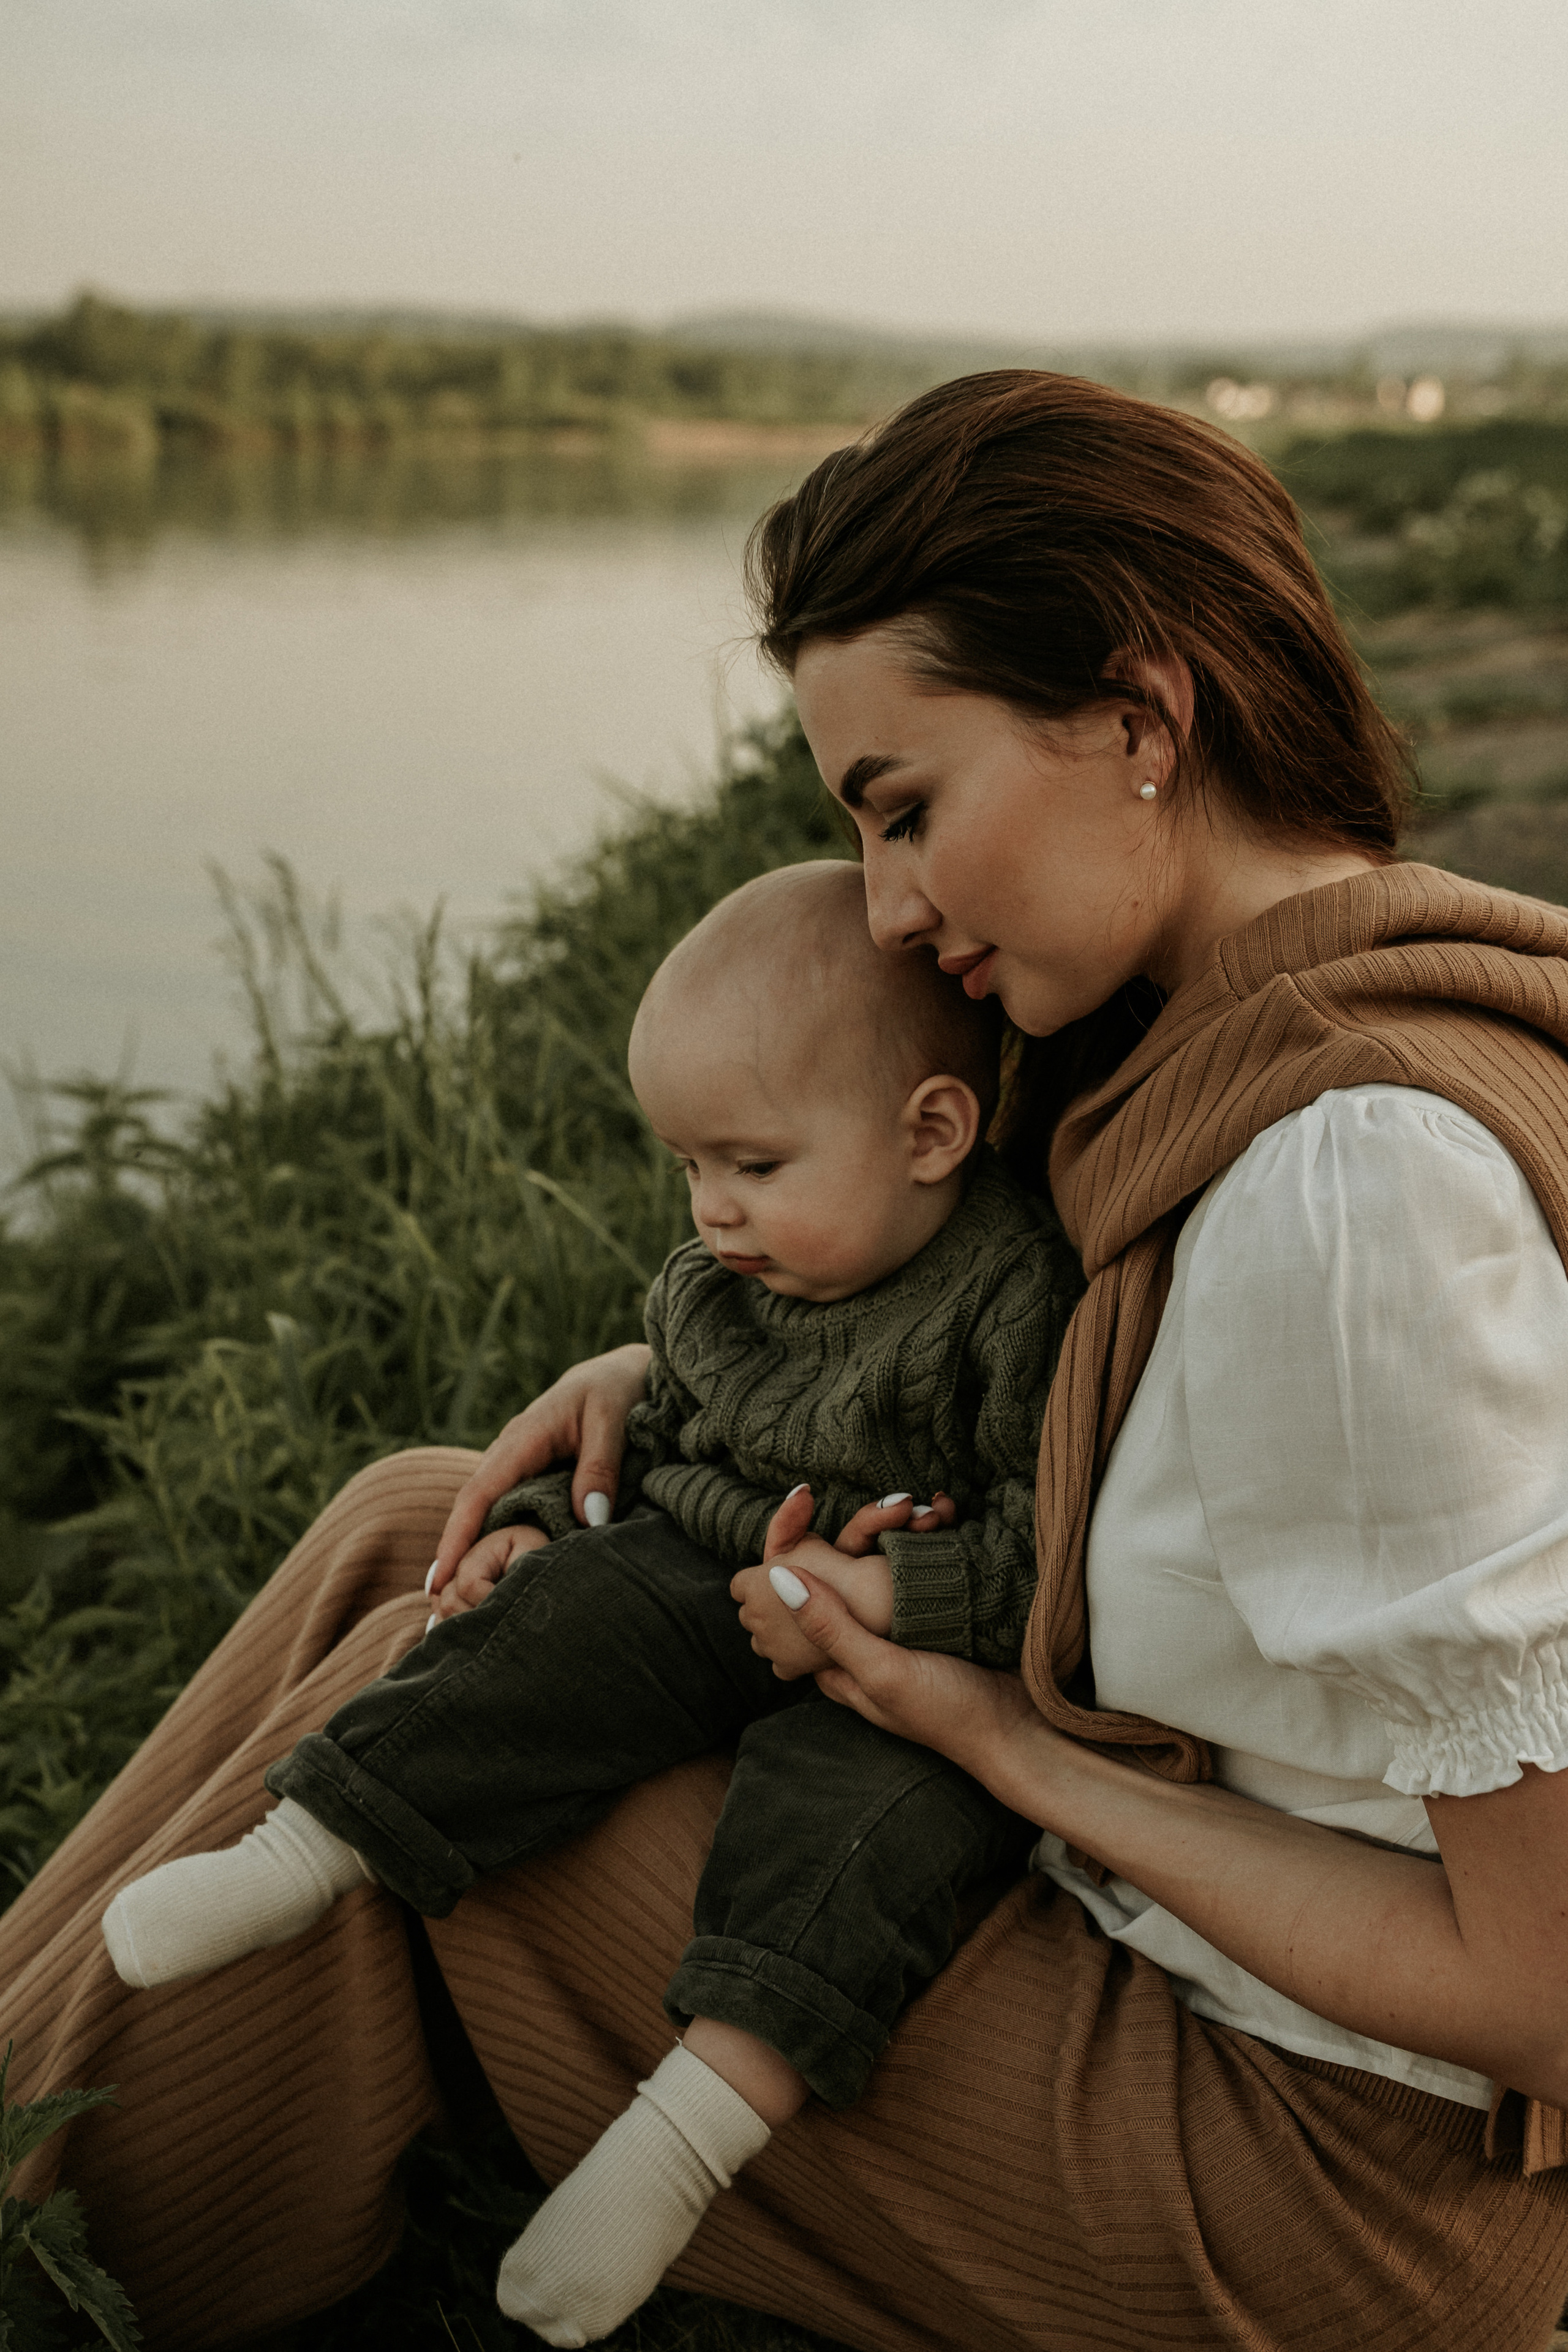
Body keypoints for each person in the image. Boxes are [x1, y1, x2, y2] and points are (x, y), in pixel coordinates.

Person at [7, 368, 1568, 2352]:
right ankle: (35, 2119)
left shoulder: (1355, 1192)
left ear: (1142, 718)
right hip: (1254, 2021)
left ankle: (62, 2247)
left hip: (1325, 2192)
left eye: (906, 812)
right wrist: (686, 1383)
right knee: (436, 1521)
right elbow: (1086, 1397)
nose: (896, 911)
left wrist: (998, 1748)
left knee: (445, 1726)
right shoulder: (1296, 1018)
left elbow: (1548, 1992)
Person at [95, 859, 1078, 2343]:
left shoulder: (1013, 1298)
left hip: (909, 1655)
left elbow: (1050, 1540)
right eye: (686, 1167)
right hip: (711, 1562)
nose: (711, 1211)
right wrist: (550, 1522)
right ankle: (314, 1838)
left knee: (855, 1828)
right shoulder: (720, 1285)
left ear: (931, 1133)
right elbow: (665, 1438)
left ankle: (679, 2138)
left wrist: (895, 1587)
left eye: (750, 1165)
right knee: (552, 1627)